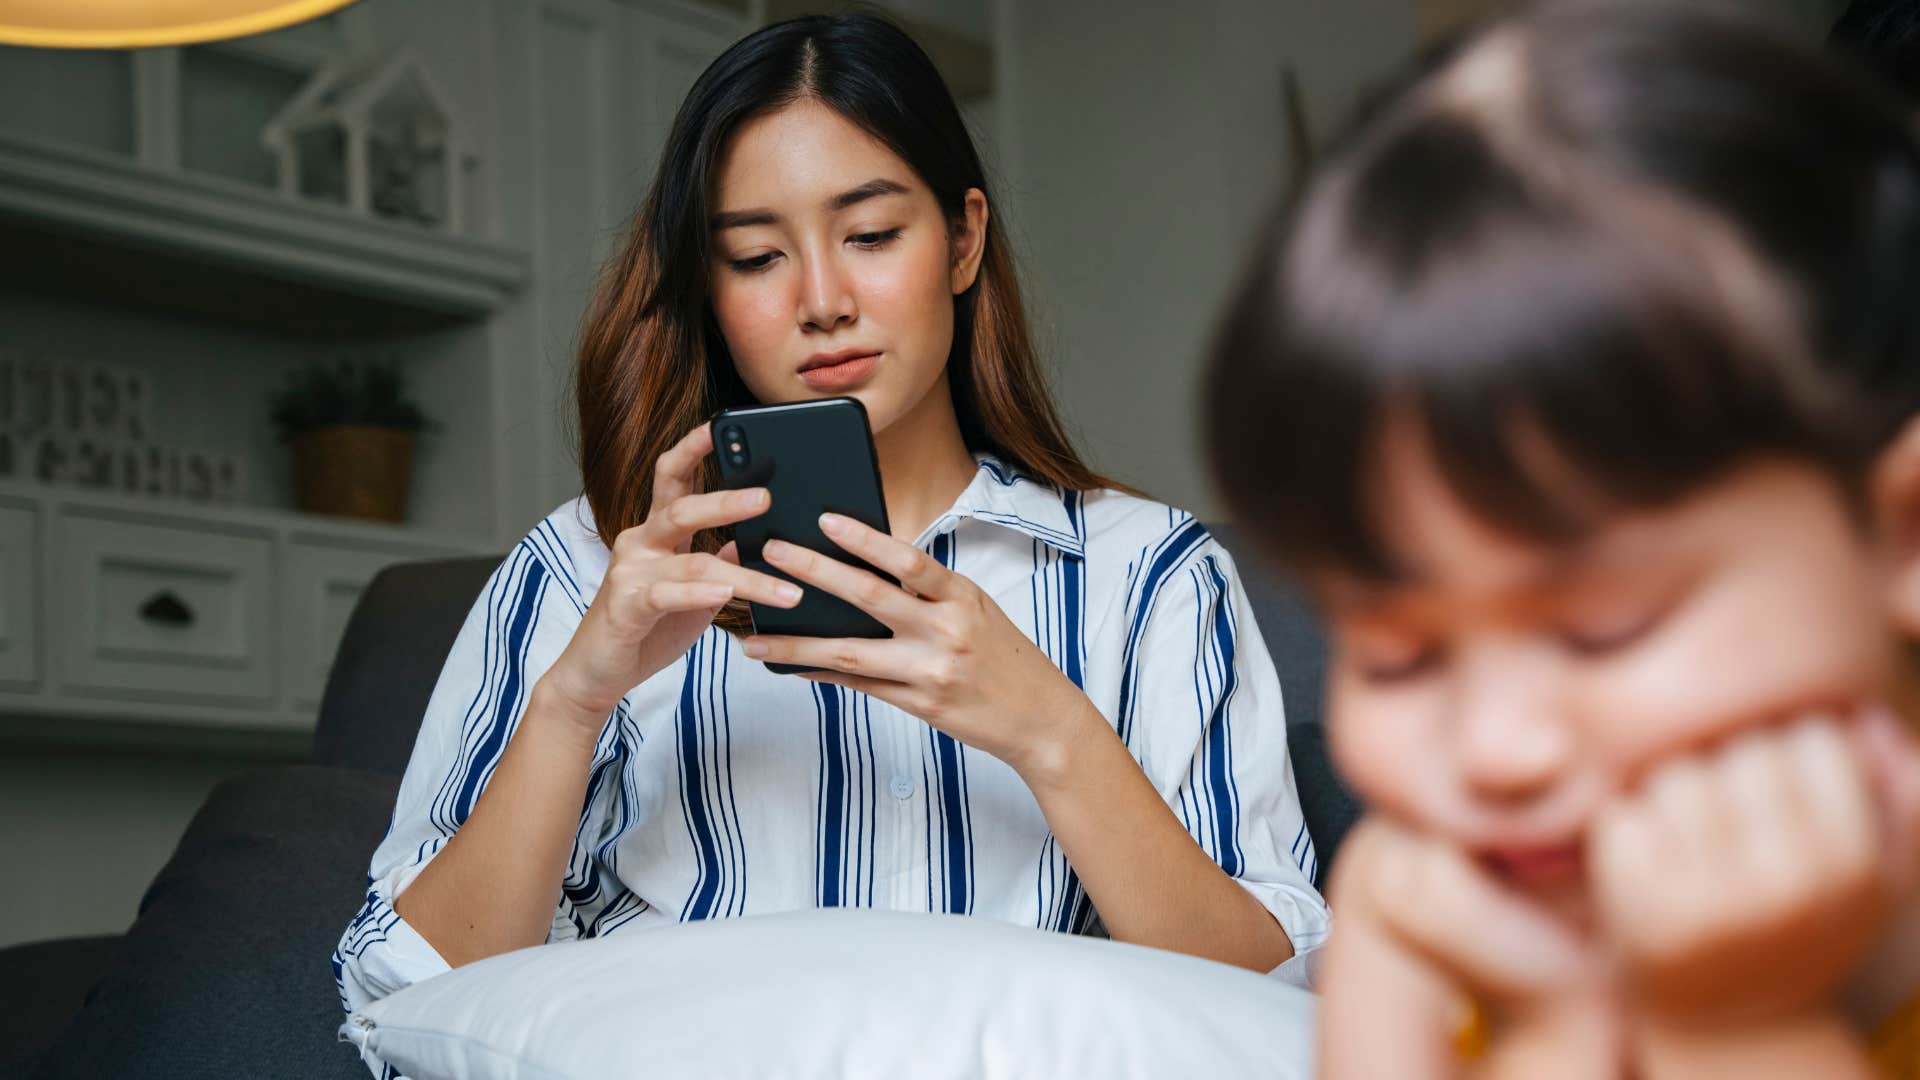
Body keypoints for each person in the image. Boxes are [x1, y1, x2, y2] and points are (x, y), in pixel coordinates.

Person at [334, 13, 1327, 1076]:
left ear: (963, 239)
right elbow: (411, 999)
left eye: (870, 236)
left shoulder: (1150, 576)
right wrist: (578, 698)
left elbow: (1266, 1008)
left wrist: (1051, 733)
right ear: (711, 293)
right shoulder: (586, 568)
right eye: (757, 257)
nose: (821, 303)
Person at [1202, 1, 1920, 1076]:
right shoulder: (1415, 915)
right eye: (1396, 654)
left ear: (1902, 537)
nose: (1495, 751)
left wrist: (1741, 1025)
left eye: (1604, 630)